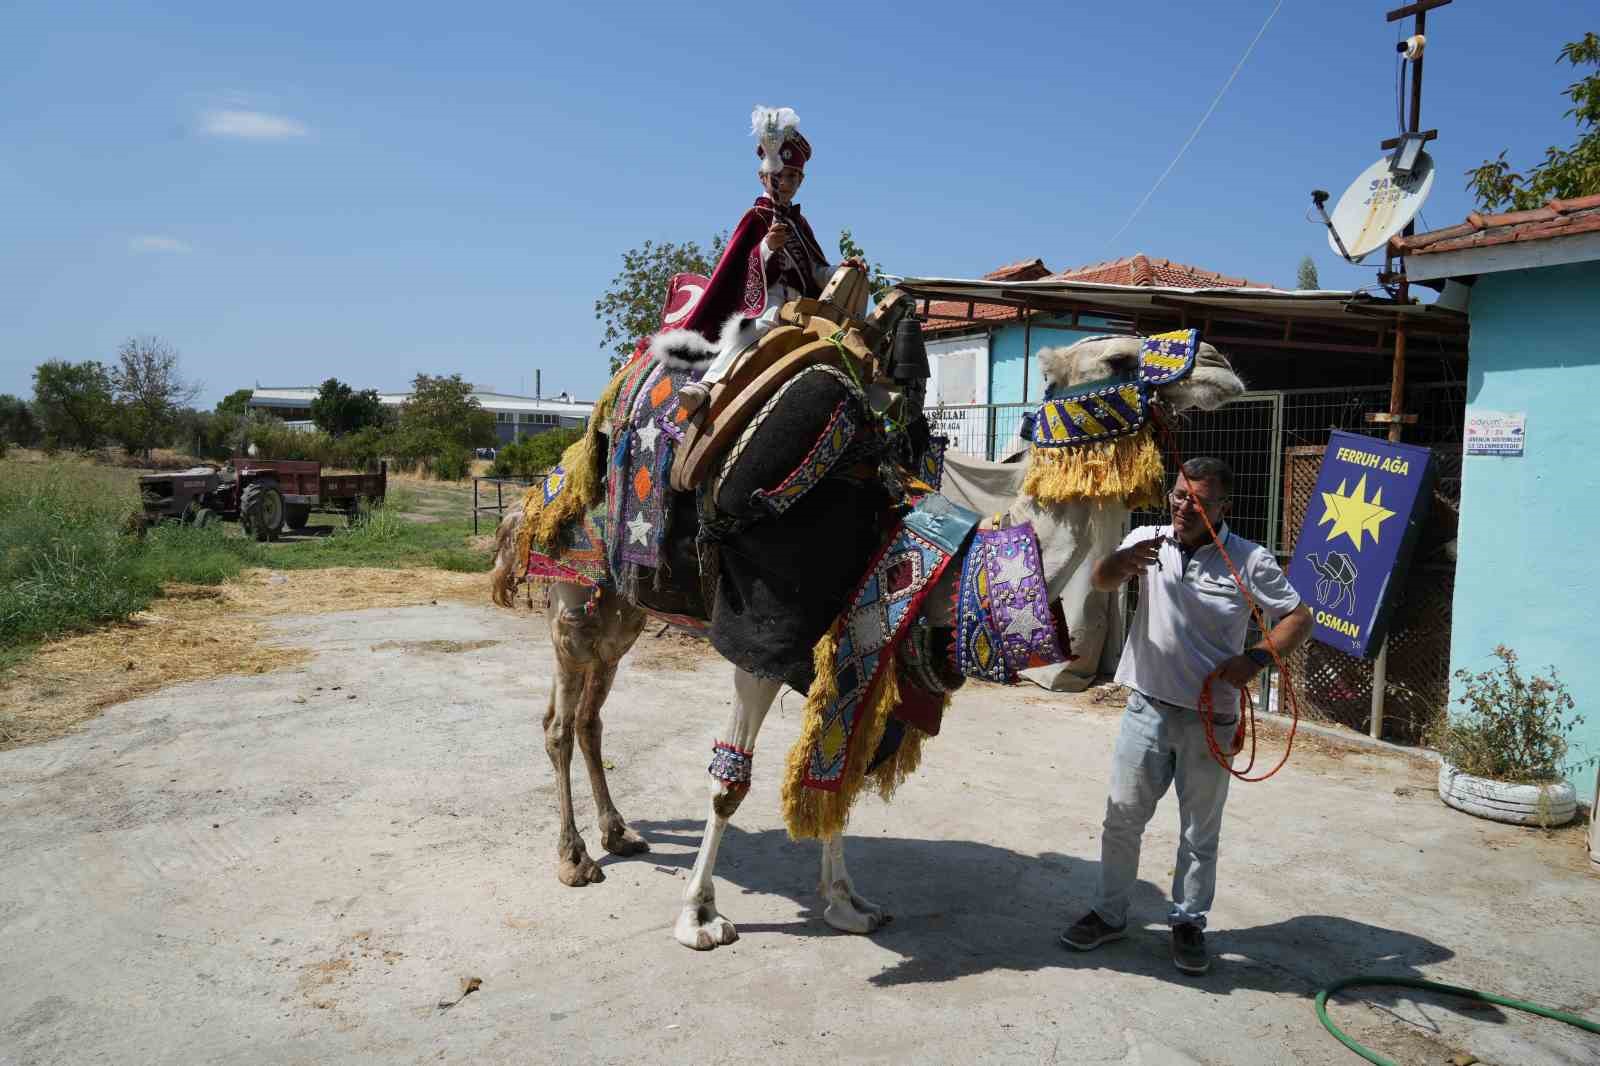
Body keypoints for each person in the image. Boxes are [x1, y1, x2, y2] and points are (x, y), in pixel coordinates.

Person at [1061, 457, 1312, 975]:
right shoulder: (1149, 540)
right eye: (1178, 496)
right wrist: (1124, 561)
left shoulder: (1249, 559)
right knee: (1122, 818)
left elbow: (1297, 617)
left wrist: (1255, 659)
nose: (1183, 507)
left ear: (1224, 507)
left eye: (1197, 500)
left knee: (1200, 831)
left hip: (1211, 719)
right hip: (1146, 707)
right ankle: (1109, 914)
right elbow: (1102, 580)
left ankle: (1188, 922)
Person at [670, 106, 863, 411]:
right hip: (766, 298)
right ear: (765, 177)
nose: (787, 183)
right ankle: (706, 385)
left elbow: (816, 270)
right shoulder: (757, 217)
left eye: (795, 177)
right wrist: (767, 248)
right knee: (758, 326)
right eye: (782, 176)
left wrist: (843, 270)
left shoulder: (800, 224)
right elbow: (740, 266)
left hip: (802, 303)